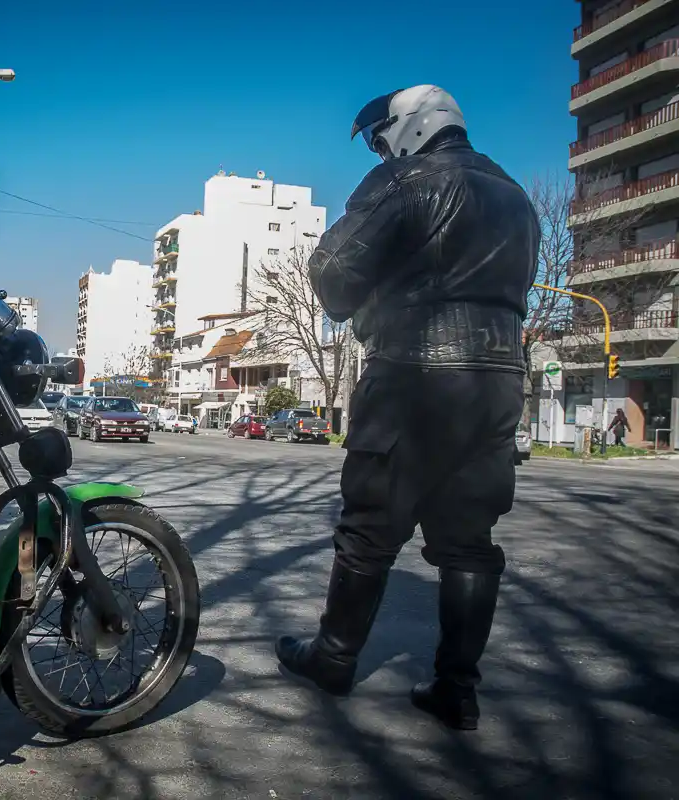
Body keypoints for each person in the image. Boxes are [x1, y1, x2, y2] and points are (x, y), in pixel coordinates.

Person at [274, 86, 540, 731]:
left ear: (408, 126)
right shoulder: (517, 197)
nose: (377, 148)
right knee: (469, 542)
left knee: (371, 525)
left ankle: (335, 659)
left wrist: (373, 293)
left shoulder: (406, 179)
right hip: (498, 376)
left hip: (413, 369)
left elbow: (334, 270)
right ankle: (456, 689)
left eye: (377, 136)